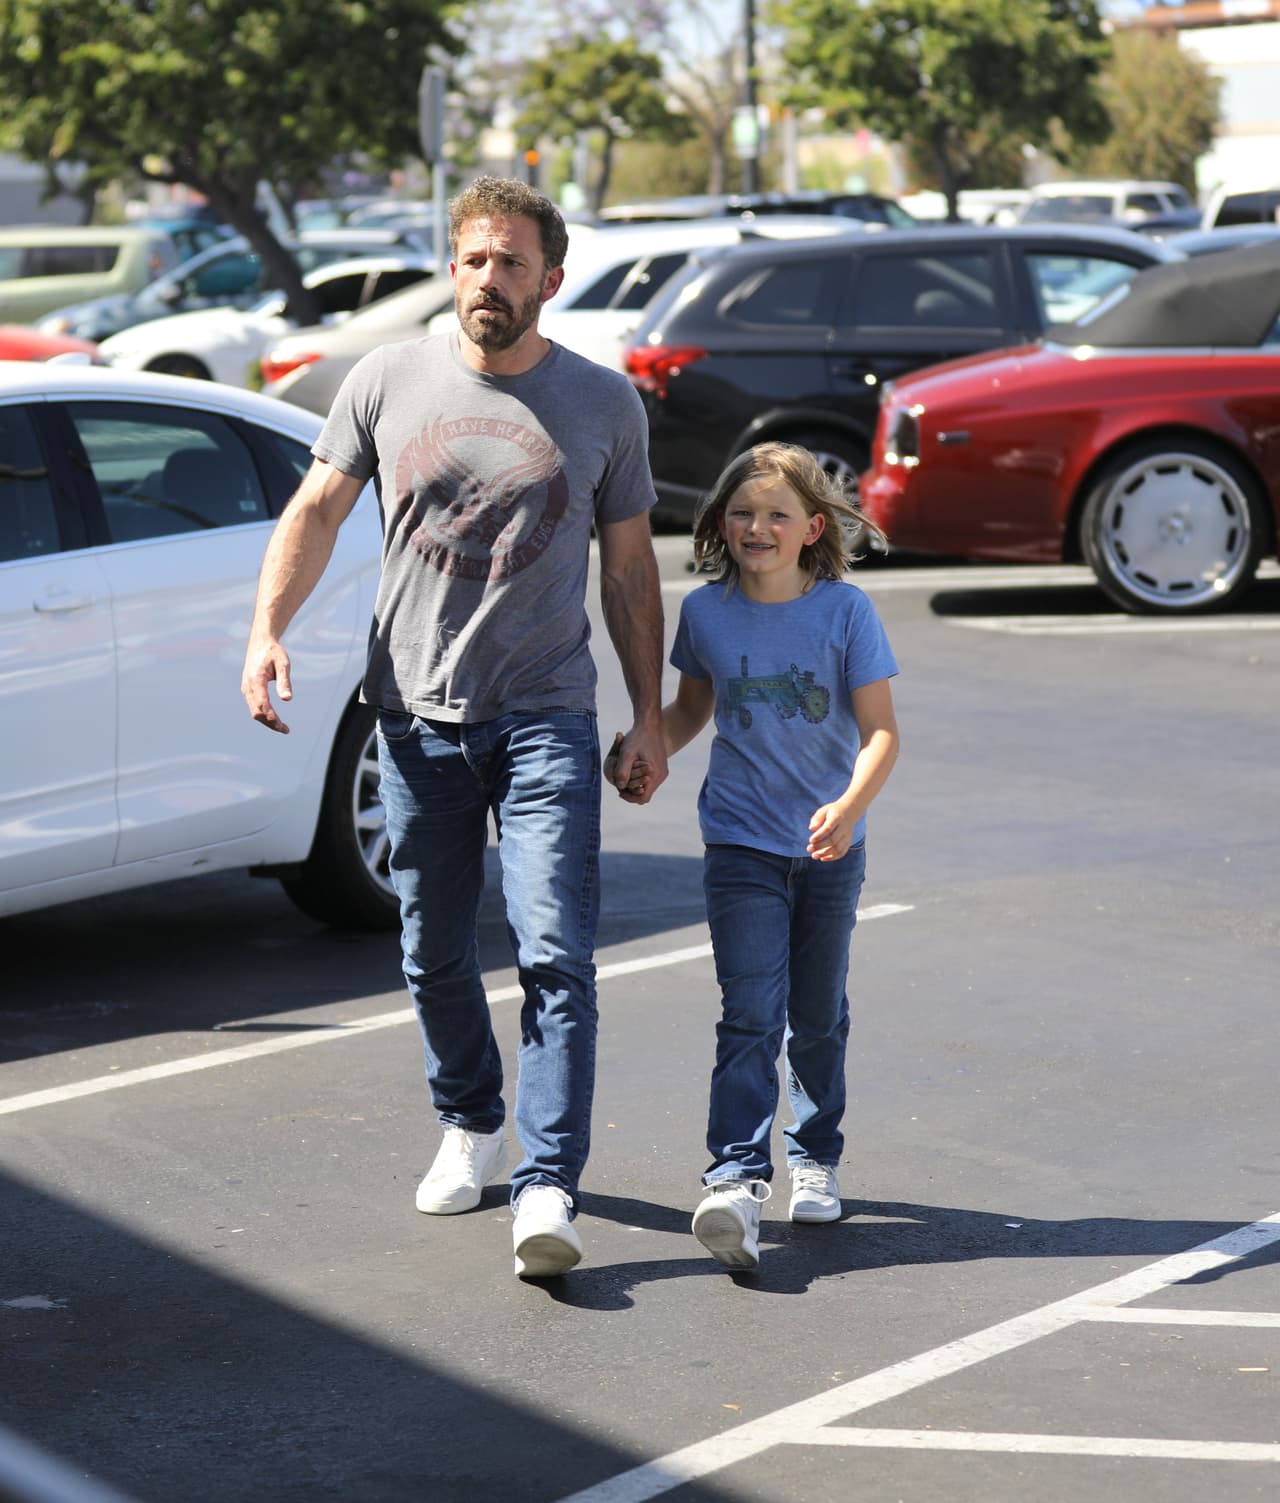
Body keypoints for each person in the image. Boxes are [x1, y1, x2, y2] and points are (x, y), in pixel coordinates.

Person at [241, 176, 668, 1281]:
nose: (490, 279)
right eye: (475, 259)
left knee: (554, 951)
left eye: (512, 262)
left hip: (546, 714)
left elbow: (629, 570)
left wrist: (649, 718)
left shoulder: (603, 404)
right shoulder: (386, 379)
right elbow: (316, 508)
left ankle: (546, 1180)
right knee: (431, 948)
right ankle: (470, 1119)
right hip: (413, 713)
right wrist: (267, 630)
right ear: (453, 268)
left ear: (550, 280)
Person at [610, 441, 899, 1270]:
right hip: (739, 841)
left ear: (813, 527)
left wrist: (848, 807)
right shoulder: (707, 613)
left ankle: (815, 1153)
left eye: (777, 514)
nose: (757, 527)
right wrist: (643, 746)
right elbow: (691, 707)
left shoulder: (846, 612)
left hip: (829, 848)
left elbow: (882, 733)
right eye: (742, 512)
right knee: (749, 1011)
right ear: (720, 523)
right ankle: (735, 1177)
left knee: (817, 1011)